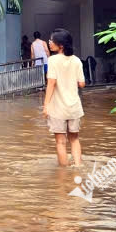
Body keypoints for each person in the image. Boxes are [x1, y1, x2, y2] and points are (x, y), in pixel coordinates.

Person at [42, 28, 84, 166]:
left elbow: (51, 83)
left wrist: (46, 105)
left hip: (58, 108)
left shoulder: (53, 60)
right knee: (74, 139)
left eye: (51, 40)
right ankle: (78, 166)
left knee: (60, 142)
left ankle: (64, 174)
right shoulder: (77, 60)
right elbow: (82, 84)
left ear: (61, 45)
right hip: (74, 107)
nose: (49, 42)